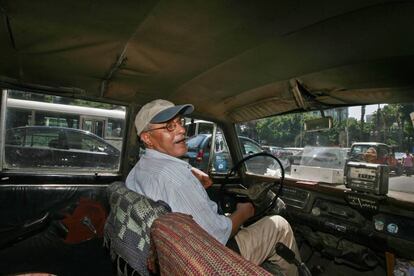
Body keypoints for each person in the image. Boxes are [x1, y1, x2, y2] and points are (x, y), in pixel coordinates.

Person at [126, 99, 300, 276]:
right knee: (279, 226)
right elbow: (216, 235)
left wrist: (191, 170)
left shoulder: (138, 171)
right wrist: (244, 212)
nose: (181, 130)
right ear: (147, 138)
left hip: (173, 253)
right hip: (210, 259)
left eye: (180, 122)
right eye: (170, 126)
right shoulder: (176, 179)